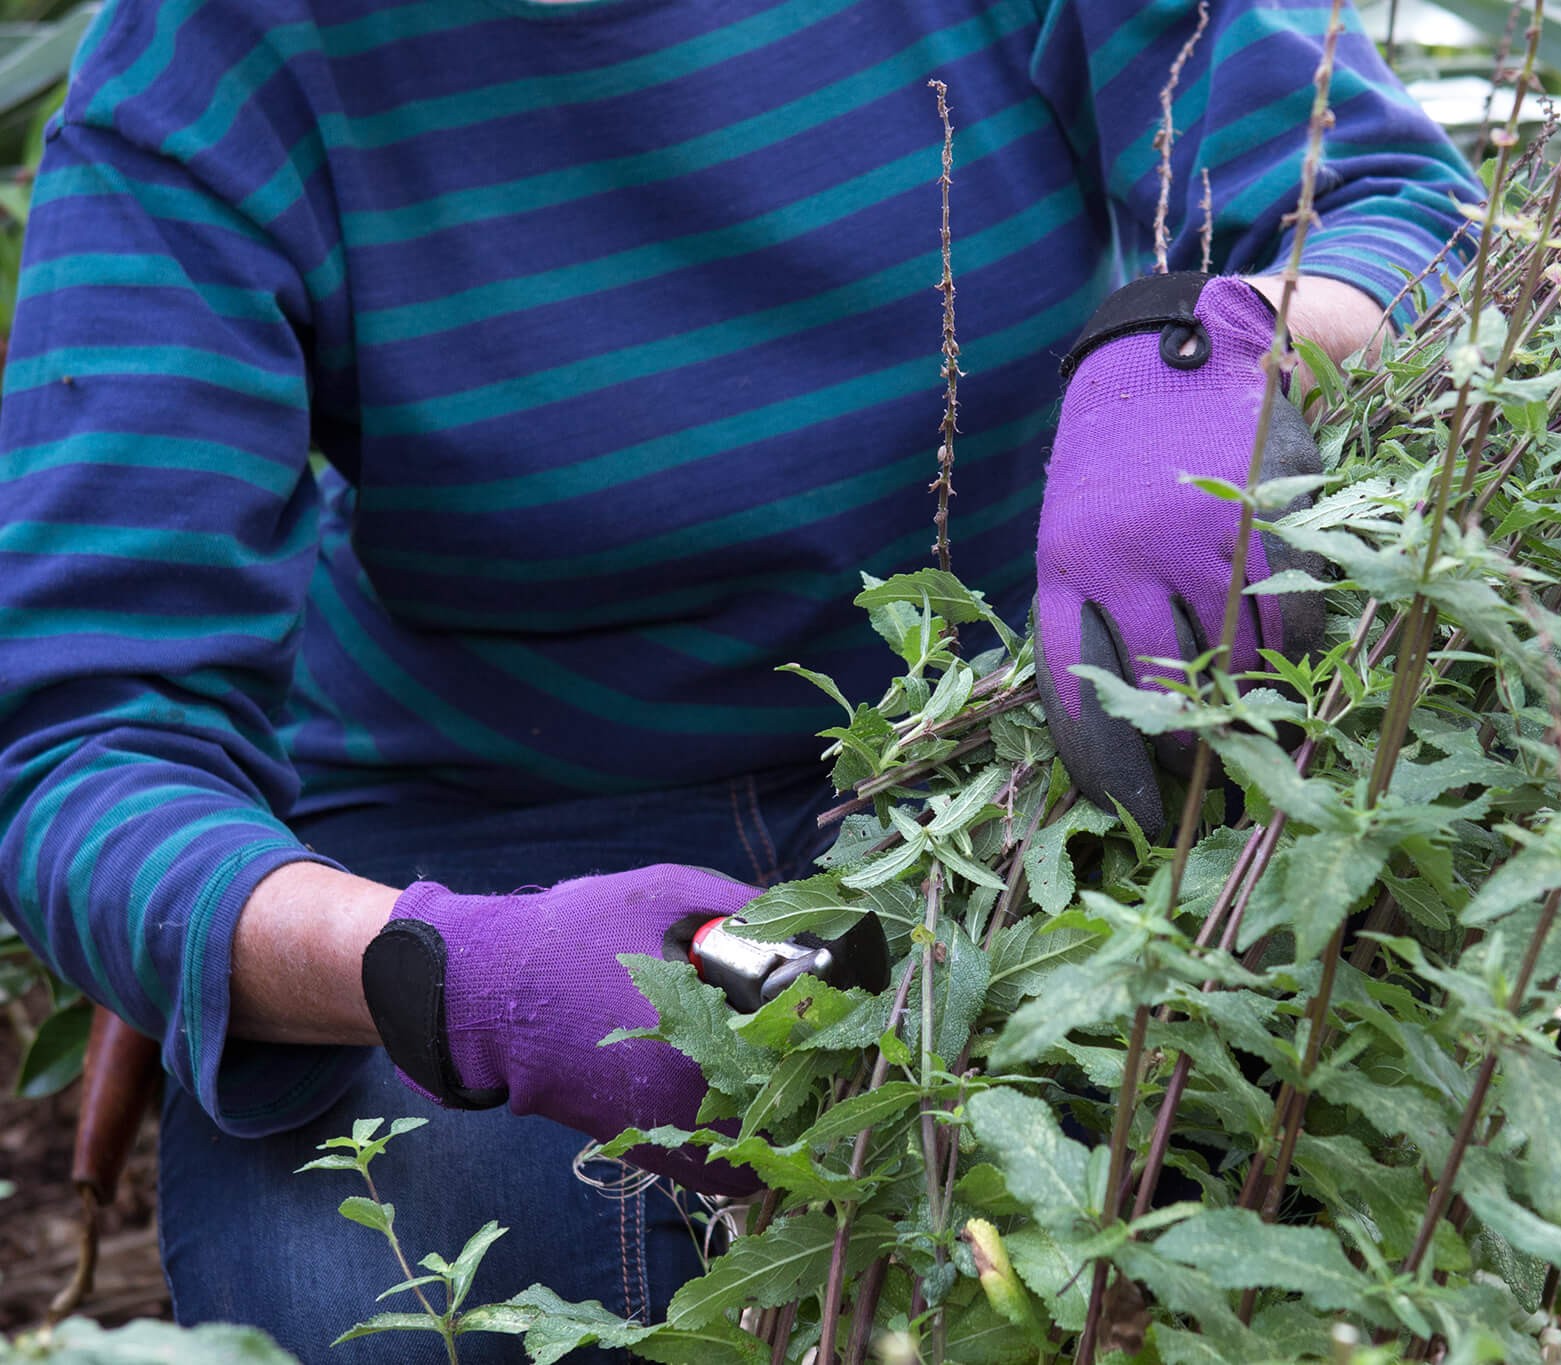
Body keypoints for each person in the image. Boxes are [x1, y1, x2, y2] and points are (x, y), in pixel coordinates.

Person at [0, 0, 1478, 1356]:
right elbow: (93, 747)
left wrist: (1217, 359)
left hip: (1013, 747)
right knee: (386, 1283)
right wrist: (437, 977)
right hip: (477, 844)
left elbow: (1408, 214)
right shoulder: (210, 62)